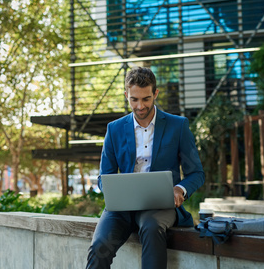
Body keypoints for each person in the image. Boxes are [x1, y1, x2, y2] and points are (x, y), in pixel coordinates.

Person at [86, 67, 205, 269]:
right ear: (127, 96)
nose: (140, 106)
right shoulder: (114, 129)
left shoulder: (178, 126)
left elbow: (196, 173)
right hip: (122, 208)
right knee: (99, 246)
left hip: (159, 206)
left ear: (155, 94)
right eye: (134, 99)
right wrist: (113, 191)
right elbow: (103, 176)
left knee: (151, 228)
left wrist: (179, 189)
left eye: (146, 99)